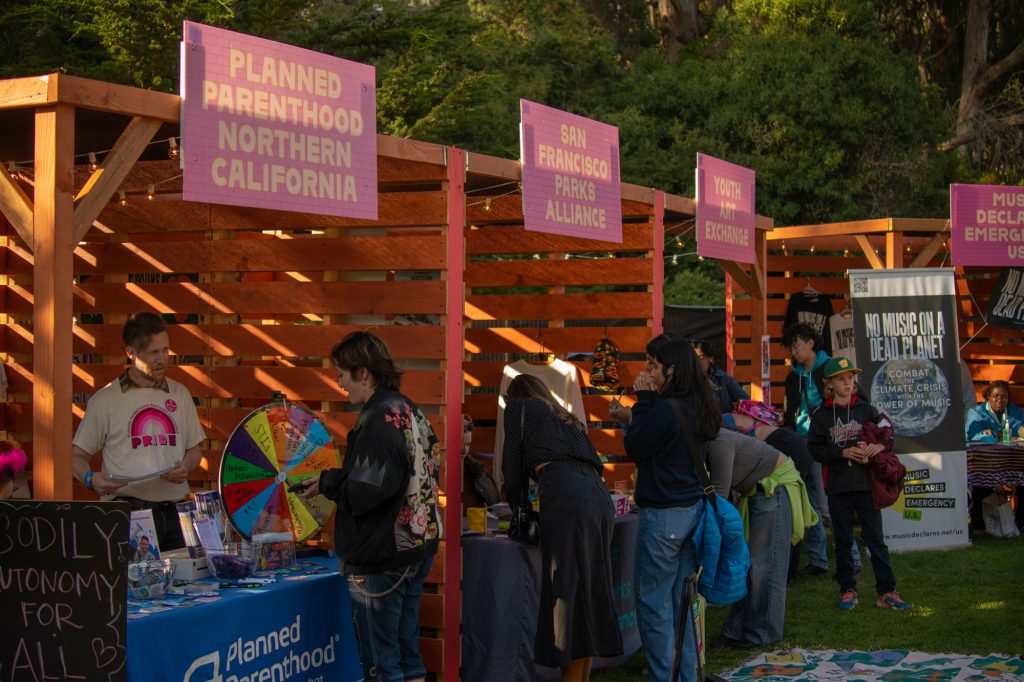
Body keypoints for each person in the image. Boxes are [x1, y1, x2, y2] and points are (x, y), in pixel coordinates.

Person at [295, 331, 441, 682]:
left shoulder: (377, 419)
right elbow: (391, 477)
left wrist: (332, 482)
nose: (339, 382)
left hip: (382, 558)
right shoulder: (407, 408)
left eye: (343, 373)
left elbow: (366, 492)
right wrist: (335, 479)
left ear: (363, 372)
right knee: (409, 660)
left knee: (381, 665)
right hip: (416, 547)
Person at [502, 374, 623, 682]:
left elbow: (512, 464)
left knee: (566, 593)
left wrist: (518, 510)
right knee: (589, 591)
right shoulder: (566, 419)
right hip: (598, 496)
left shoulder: (520, 408)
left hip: (566, 495)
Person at [624, 340, 720, 681]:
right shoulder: (703, 402)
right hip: (692, 512)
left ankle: (663, 675)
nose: (648, 372)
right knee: (682, 604)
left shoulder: (665, 408)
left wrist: (643, 402)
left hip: (664, 515)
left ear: (672, 370)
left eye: (652, 365)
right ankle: (688, 675)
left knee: (653, 604)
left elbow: (634, 445)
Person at [72, 312, 206, 550]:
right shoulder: (106, 399)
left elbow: (194, 450)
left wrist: (186, 466)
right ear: (131, 353)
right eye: (153, 353)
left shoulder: (180, 394)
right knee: (133, 586)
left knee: (186, 584)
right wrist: (90, 479)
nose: (162, 359)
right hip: (129, 513)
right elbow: (76, 457)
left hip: (177, 512)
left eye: (165, 350)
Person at [808, 357, 911, 611]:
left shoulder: (867, 410)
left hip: (867, 486)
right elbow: (814, 449)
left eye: (851, 377)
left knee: (876, 539)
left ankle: (887, 592)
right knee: (843, 540)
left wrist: (879, 446)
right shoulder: (821, 416)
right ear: (829, 383)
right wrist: (842, 453)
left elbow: (887, 433)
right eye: (841, 378)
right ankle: (847, 589)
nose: (847, 382)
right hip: (838, 487)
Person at [708, 430, 816, 648]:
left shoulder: (718, 442)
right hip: (758, 493)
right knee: (746, 567)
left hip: (772, 491)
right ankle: (736, 630)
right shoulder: (713, 440)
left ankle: (763, 633)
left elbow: (717, 496)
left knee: (765, 567)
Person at [780, 323, 861, 579]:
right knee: (808, 506)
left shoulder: (831, 369)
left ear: (811, 343)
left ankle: (853, 559)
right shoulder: (793, 377)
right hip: (800, 444)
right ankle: (818, 560)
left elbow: (858, 400)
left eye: (797, 345)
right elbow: (791, 411)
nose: (793, 351)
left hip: (827, 445)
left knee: (827, 506)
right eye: (791, 346)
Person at [965, 380, 1024, 532]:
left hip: (1011, 460)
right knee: (982, 481)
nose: (1000, 400)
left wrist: (1021, 430)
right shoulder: (977, 412)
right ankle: (978, 523)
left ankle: (1020, 521)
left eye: (1004, 396)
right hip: (985, 462)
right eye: (995, 396)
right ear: (988, 397)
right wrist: (988, 436)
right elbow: (972, 434)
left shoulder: (1013, 411)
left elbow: (1020, 426)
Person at [692, 339, 749, 415]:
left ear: (710, 358)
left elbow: (745, 401)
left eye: (701, 357)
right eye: (693, 358)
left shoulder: (723, 378)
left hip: (722, 424)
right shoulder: (686, 380)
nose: (697, 362)